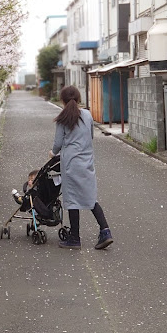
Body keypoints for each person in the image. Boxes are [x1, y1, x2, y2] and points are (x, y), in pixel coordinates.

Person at [49, 85, 113, 250]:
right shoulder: (87, 115)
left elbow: (57, 144)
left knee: (72, 200)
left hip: (70, 163)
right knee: (90, 198)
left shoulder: (63, 118)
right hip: (87, 161)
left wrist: (53, 153)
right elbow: (90, 136)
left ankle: (75, 238)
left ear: (62, 100)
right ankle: (105, 231)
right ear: (78, 99)